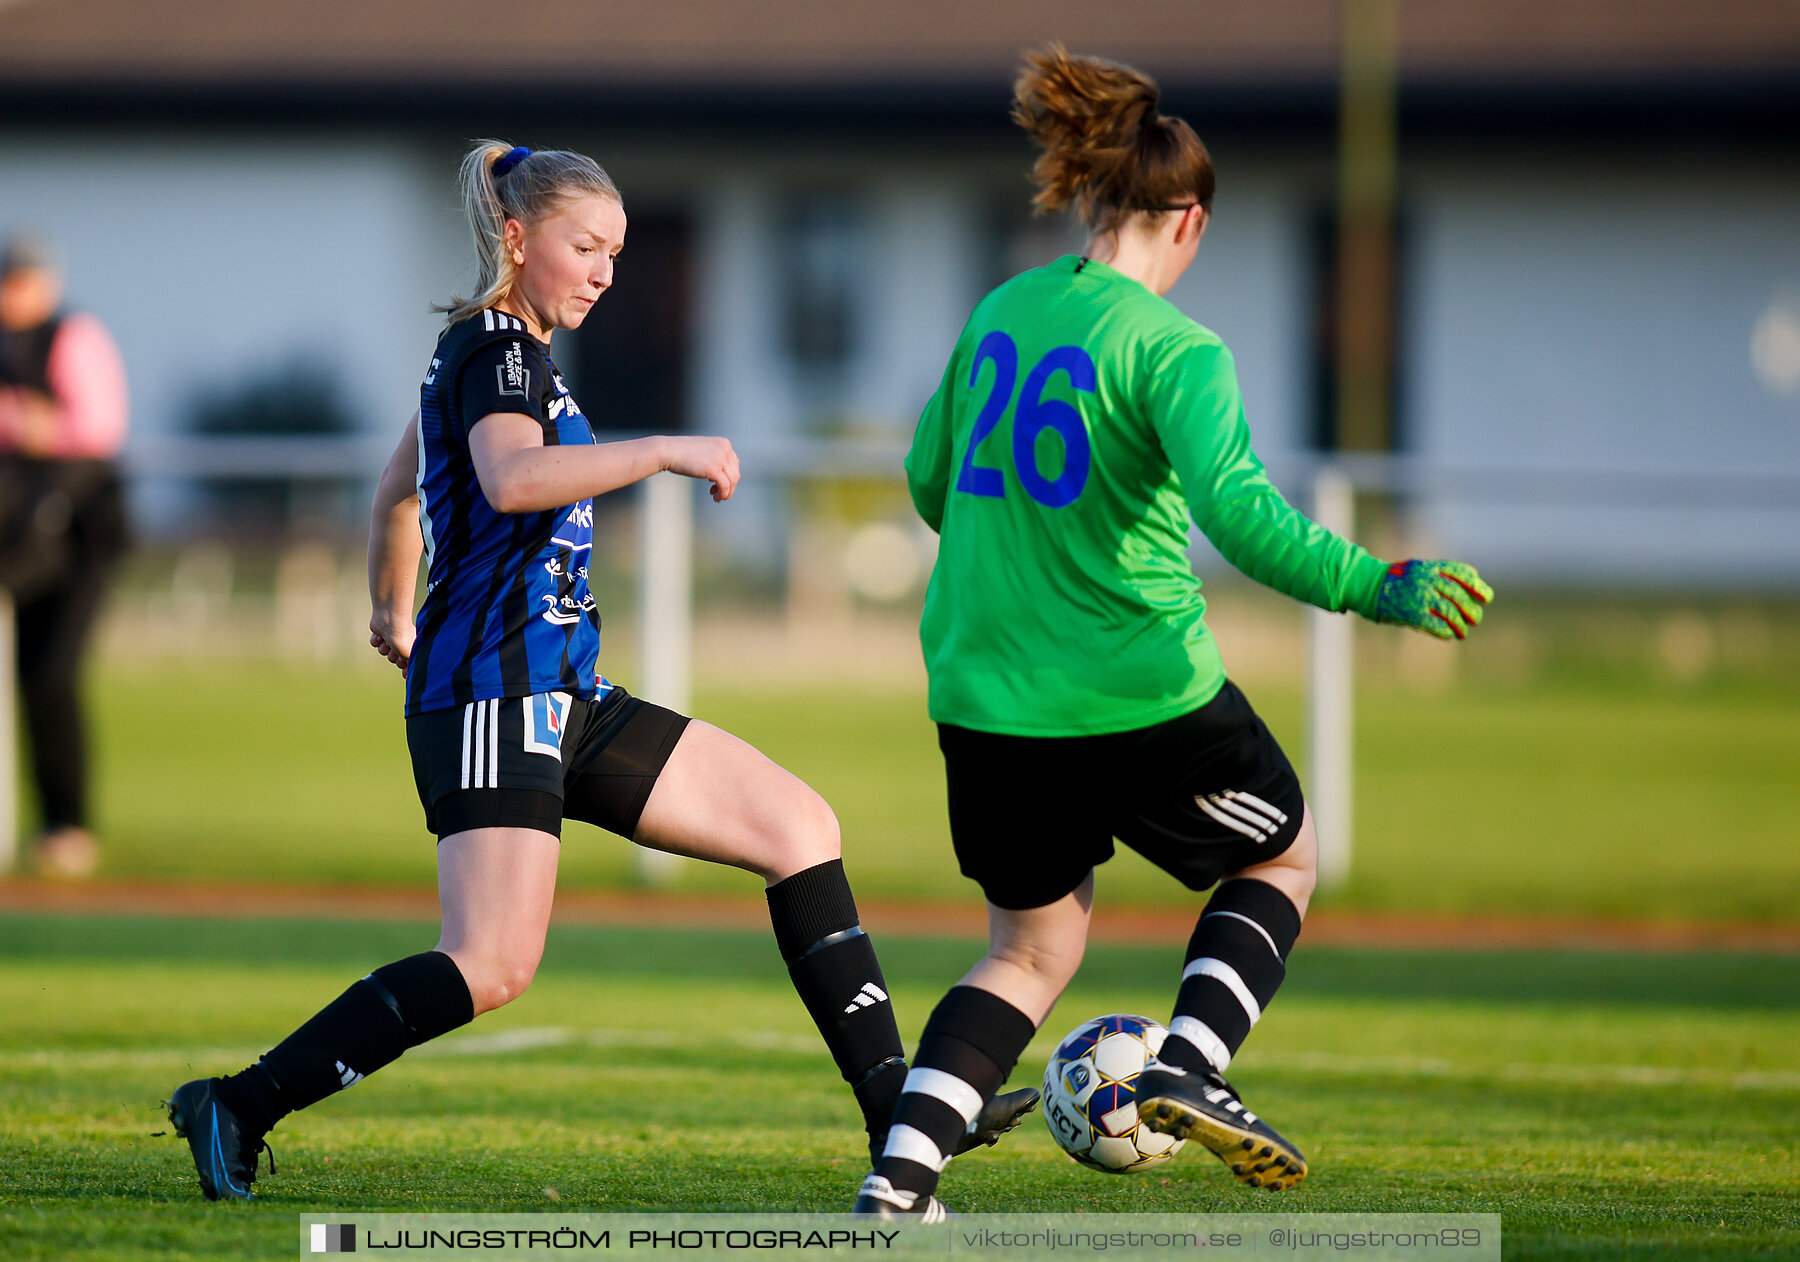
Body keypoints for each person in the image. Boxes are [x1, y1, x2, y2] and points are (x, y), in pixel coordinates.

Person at [166, 141, 1034, 1201]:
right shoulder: (497, 348)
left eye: (617, 253)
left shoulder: (505, 353)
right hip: (494, 694)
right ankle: (238, 1102)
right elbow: (510, 476)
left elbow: (402, 481)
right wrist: (662, 447)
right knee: (491, 962)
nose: (605, 271)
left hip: (562, 689)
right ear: (519, 240)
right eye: (588, 246)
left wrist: (391, 604)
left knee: (799, 826)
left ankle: (899, 1117)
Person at [851, 48, 1492, 1219]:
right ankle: (1190, 1062)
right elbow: (1243, 517)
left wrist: (1028, 537)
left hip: (986, 701)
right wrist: (1378, 582)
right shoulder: (1176, 349)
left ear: (1093, 198)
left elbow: (930, 483)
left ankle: (898, 1184)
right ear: (1188, 218)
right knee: (1284, 854)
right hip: (1143, 692)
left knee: (1030, 952)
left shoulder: (1002, 307)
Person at [0, 233, 130, 878]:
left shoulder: (73, 337)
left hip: (78, 539)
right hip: (16, 542)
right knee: (23, 679)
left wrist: (25, 421)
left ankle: (67, 824)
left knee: (52, 675)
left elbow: (94, 432)